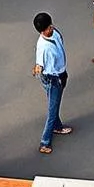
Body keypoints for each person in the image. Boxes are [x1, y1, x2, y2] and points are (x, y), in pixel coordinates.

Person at [32, 12, 72, 155]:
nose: (52, 28)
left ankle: (58, 126)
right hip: (54, 78)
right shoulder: (43, 47)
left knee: (53, 105)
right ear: (43, 30)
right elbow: (43, 69)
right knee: (52, 110)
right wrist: (38, 70)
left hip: (61, 73)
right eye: (49, 27)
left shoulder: (55, 33)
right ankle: (45, 141)